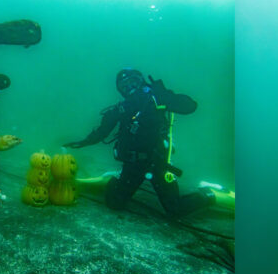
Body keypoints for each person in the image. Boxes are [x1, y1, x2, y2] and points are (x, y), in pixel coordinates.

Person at [64, 68, 214, 217]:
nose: (130, 88)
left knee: (175, 209)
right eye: (124, 86)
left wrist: (165, 95)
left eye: (133, 82)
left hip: (158, 164)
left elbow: (191, 106)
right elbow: (102, 131)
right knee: (114, 202)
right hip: (133, 165)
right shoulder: (121, 109)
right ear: (120, 90)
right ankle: (115, 179)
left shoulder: (157, 100)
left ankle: (207, 195)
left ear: (141, 81)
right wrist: (82, 143)